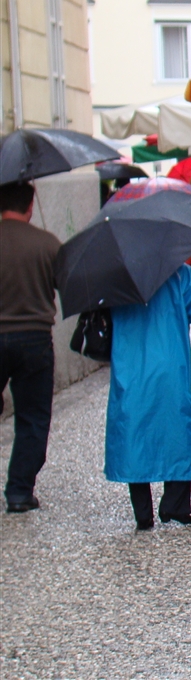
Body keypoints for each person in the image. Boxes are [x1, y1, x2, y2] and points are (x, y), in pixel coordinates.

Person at [106, 259, 191, 529]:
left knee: (135, 434)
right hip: (169, 365)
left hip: (130, 367)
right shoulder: (178, 273)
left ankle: (143, 513)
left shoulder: (117, 276)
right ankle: (175, 505)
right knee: (177, 431)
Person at [0, 182, 60, 513]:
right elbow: (66, 285)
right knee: (33, 417)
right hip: (35, 339)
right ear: (30, 205)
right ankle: (20, 492)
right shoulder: (46, 243)